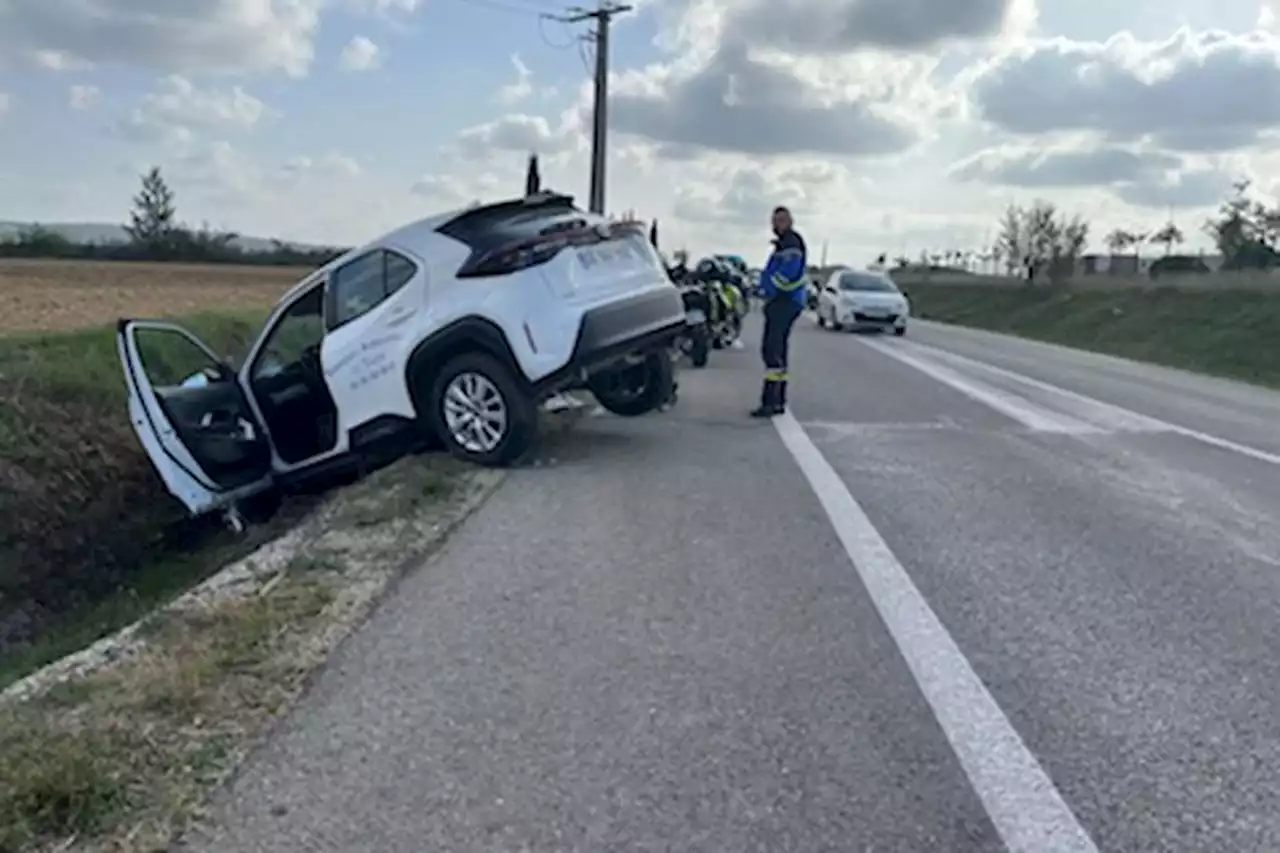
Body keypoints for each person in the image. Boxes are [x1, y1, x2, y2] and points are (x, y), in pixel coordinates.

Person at [751, 206, 807, 417]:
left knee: (772, 351)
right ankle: (778, 401)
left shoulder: (791, 243)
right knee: (778, 350)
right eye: (774, 221)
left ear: (790, 222)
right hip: (783, 301)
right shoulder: (784, 243)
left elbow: (788, 273)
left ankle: (770, 401)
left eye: (781, 221)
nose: (776, 225)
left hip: (784, 301)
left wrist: (769, 288)